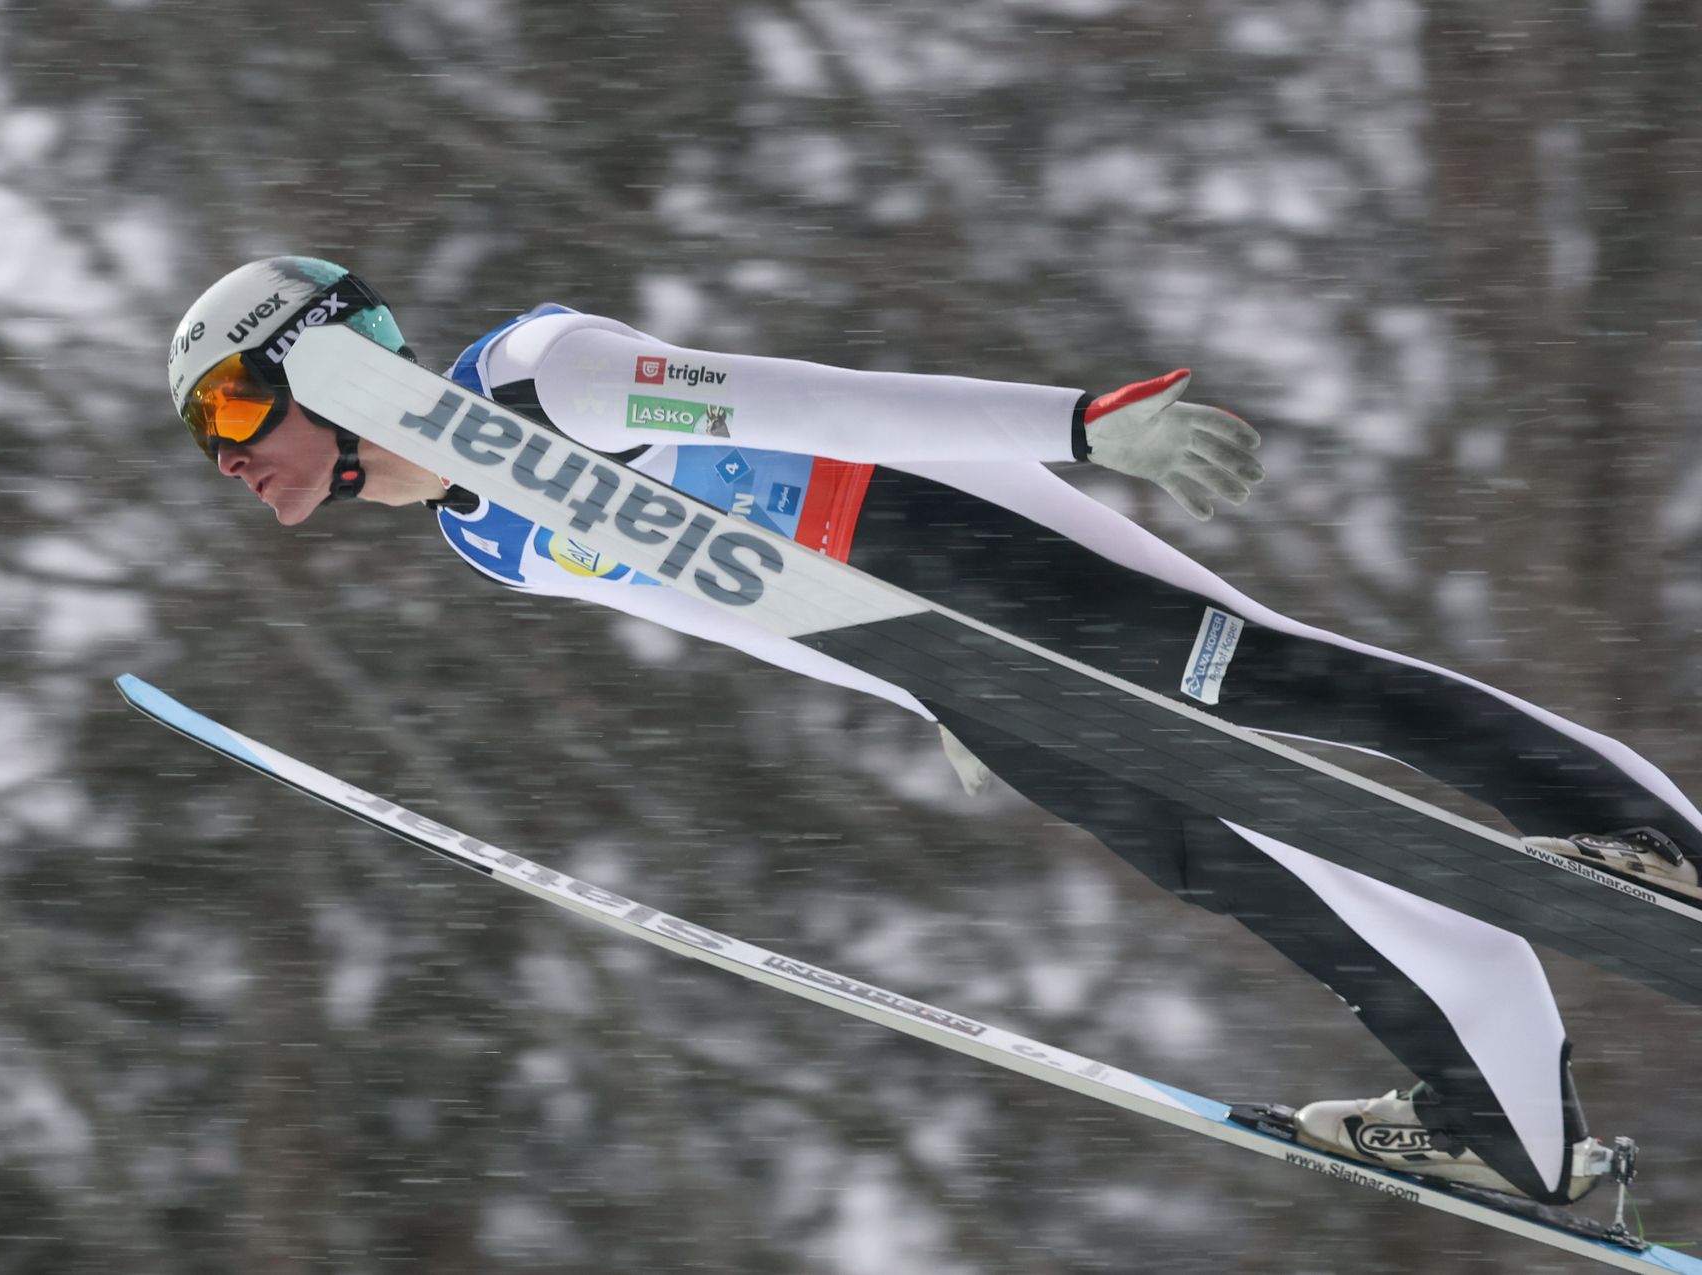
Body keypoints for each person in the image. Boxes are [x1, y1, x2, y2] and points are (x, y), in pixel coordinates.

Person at [166, 255, 1702, 1206]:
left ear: (321, 356)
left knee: (1281, 687)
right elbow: (729, 601)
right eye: (206, 445)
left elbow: (815, 401)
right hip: (926, 647)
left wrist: (1077, 427)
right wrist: (915, 686)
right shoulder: (483, 539)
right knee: (1234, 862)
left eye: (235, 416)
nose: (230, 463)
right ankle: (1508, 1126)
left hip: (940, 530)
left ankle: (1653, 851)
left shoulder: (537, 378)